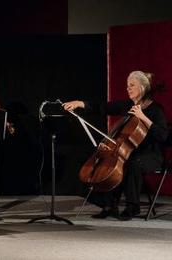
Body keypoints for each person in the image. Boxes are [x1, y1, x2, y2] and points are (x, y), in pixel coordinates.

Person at [63, 70, 168, 220]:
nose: (128, 88)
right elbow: (103, 107)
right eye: (127, 86)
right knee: (107, 163)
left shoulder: (155, 109)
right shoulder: (127, 105)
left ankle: (133, 207)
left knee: (132, 164)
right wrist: (80, 103)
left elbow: (163, 136)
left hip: (151, 155)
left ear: (142, 88)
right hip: (127, 151)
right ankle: (109, 206)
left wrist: (143, 117)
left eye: (132, 85)